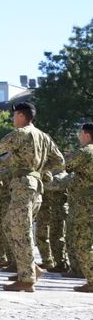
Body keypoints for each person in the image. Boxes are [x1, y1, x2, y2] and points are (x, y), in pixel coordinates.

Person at [0, 102, 64, 291]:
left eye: (15, 115)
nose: (13, 118)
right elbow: (59, 161)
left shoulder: (21, 134)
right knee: (9, 225)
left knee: (21, 231)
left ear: (22, 116)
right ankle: (29, 268)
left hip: (24, 185)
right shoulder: (44, 137)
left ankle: (27, 279)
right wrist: (38, 169)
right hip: (34, 186)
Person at [66, 123, 93, 292]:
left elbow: (63, 164)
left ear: (86, 135)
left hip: (86, 204)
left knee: (83, 244)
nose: (78, 136)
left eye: (80, 133)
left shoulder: (86, 152)